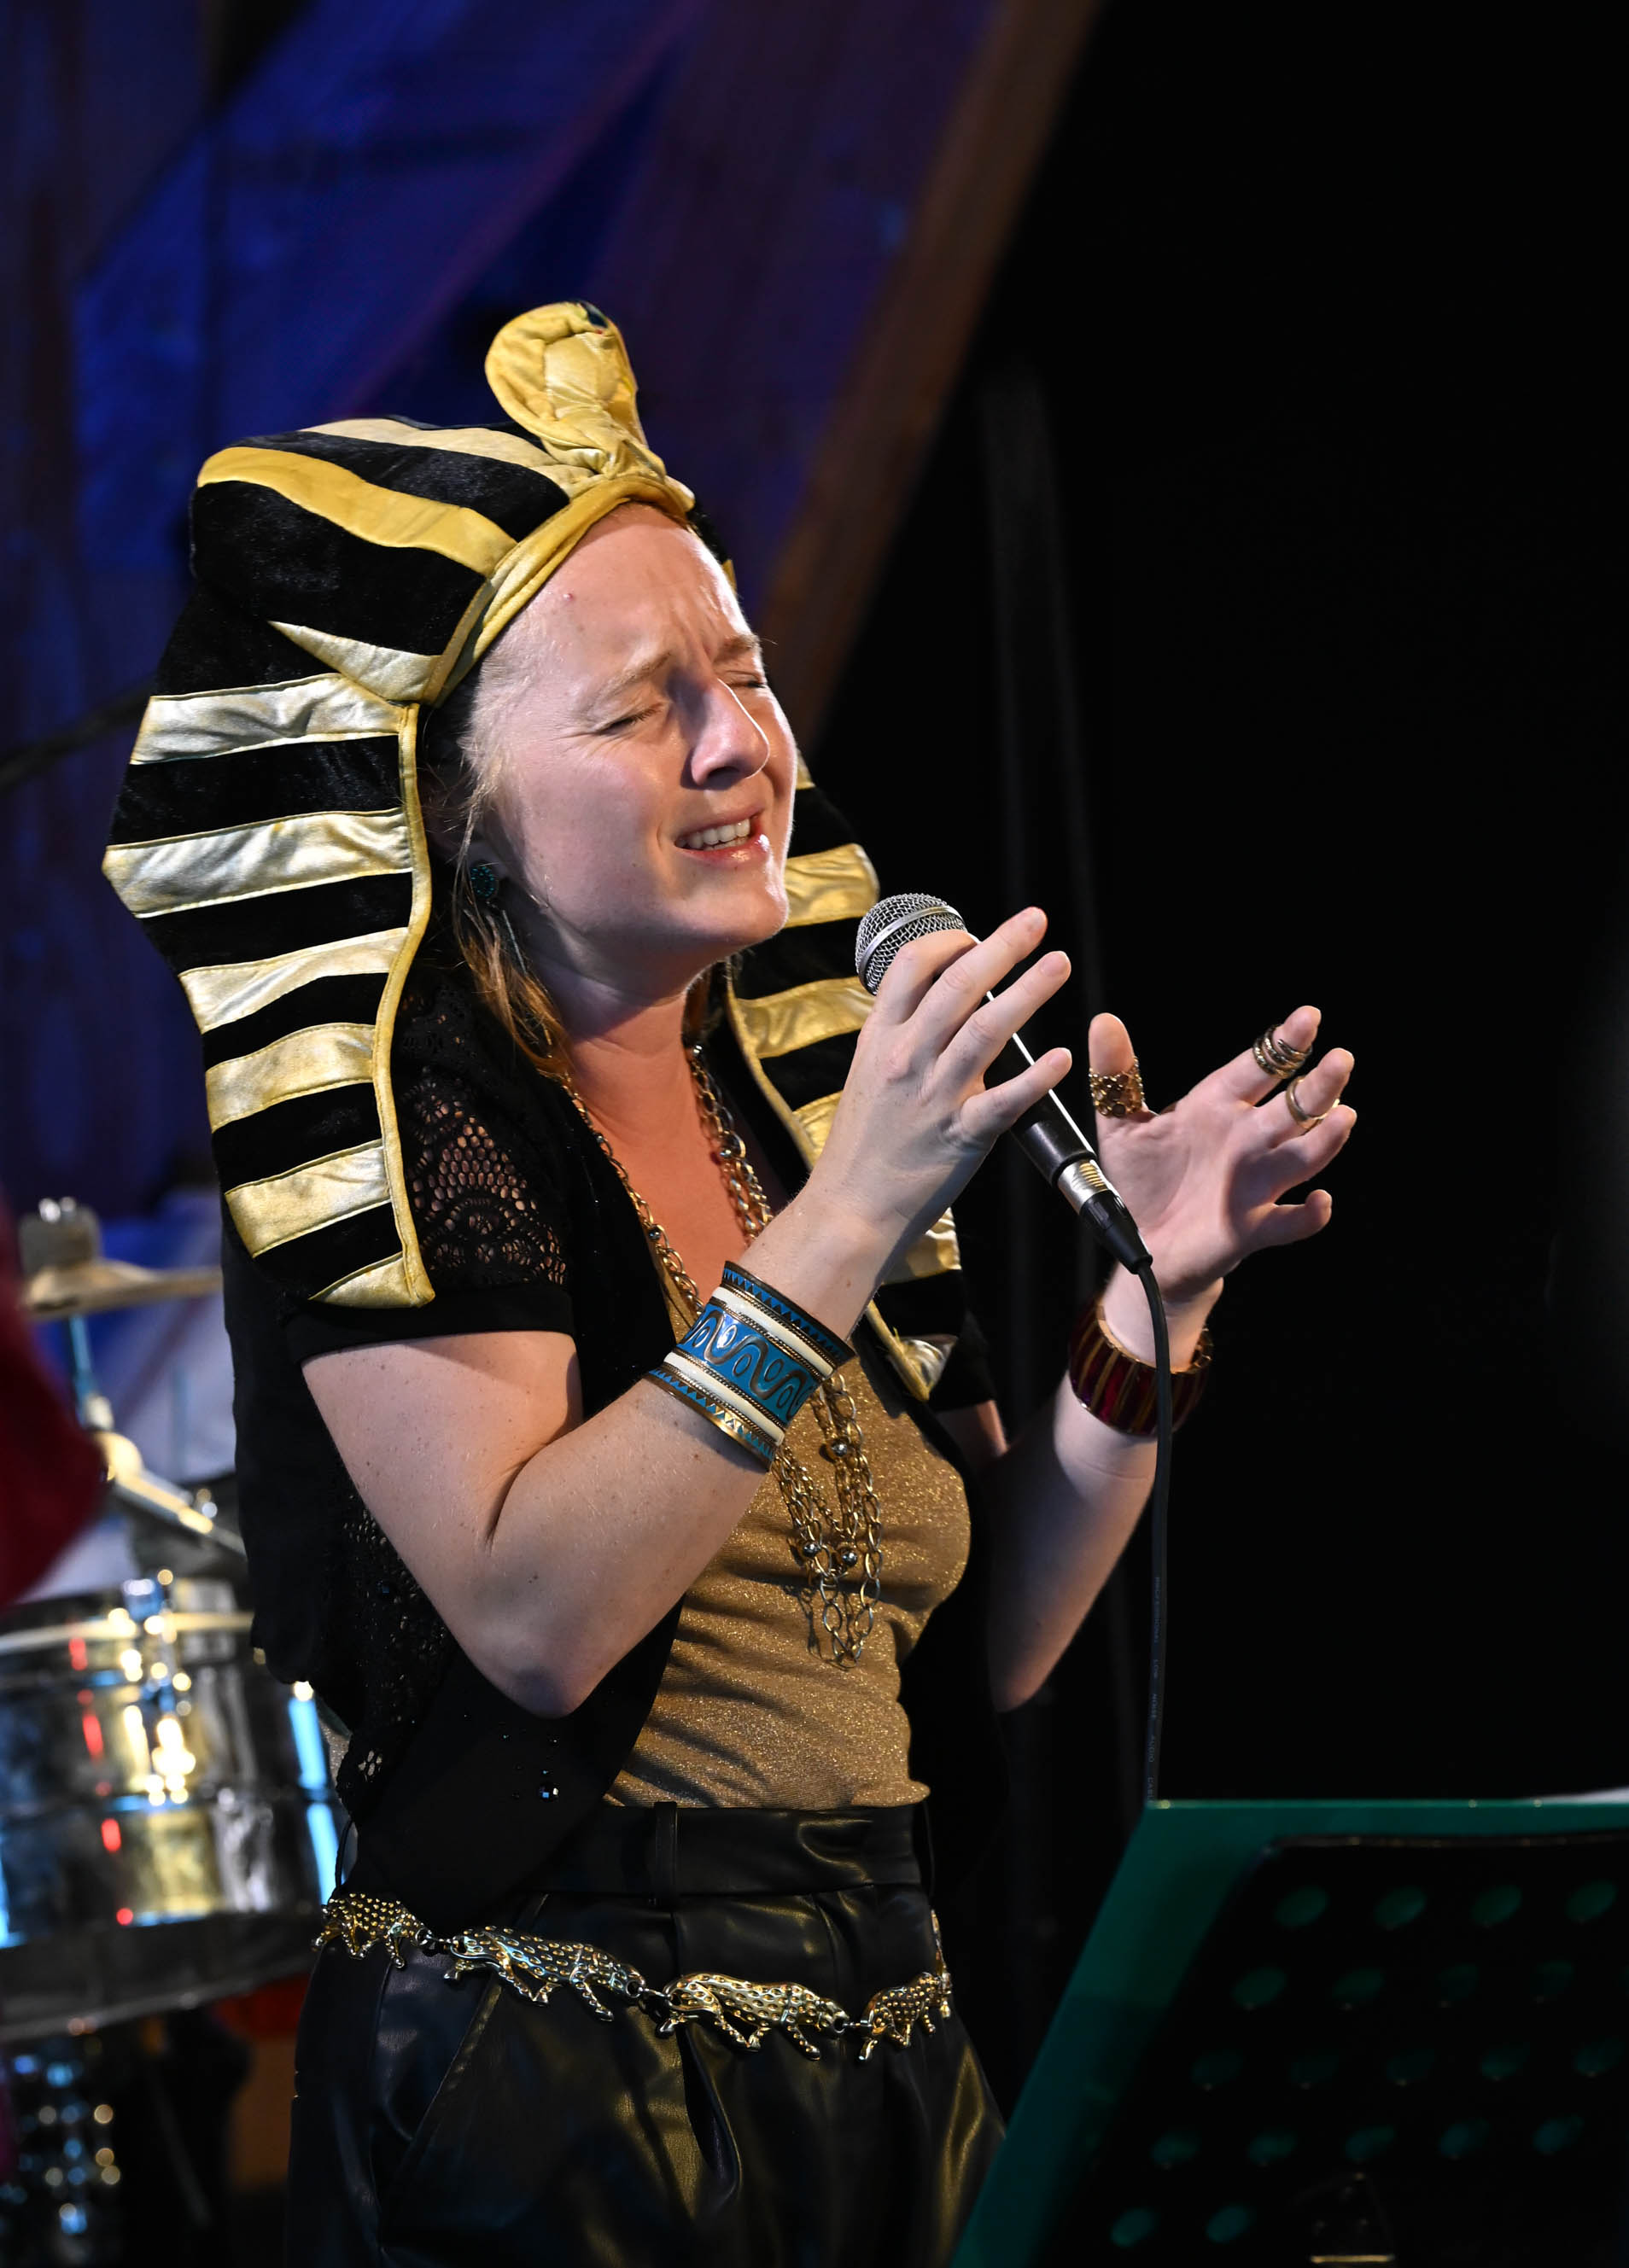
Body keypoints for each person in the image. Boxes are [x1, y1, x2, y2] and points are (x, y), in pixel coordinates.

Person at [102, 303, 1354, 2266]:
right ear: (464, 805)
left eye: (745, 674)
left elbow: (972, 1651)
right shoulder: (419, 1121)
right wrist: (853, 1211)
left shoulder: (800, 1104)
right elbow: (533, 1618)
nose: (738, 746)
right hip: (548, 2086)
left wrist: (1154, 1304)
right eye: (638, 708)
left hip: (890, 2051)